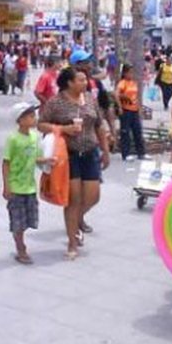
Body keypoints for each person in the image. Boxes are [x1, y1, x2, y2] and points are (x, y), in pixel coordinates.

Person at [39, 67, 110, 260]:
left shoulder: (89, 98)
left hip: (90, 152)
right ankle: (72, 241)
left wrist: (105, 150)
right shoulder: (56, 102)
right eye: (80, 80)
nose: (85, 83)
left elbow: (99, 125)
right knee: (72, 199)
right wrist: (63, 128)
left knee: (93, 196)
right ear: (69, 82)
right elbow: (41, 124)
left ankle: (77, 219)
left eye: (85, 80)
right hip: (67, 155)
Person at [3, 102, 50, 265]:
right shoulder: (13, 139)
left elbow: (36, 158)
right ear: (20, 120)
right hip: (16, 187)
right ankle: (20, 248)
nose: (34, 118)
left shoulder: (34, 138)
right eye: (30, 116)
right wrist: (6, 186)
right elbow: (6, 162)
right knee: (18, 220)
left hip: (29, 187)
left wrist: (48, 160)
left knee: (28, 219)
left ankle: (20, 241)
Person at [115, 64, 147, 161]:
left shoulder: (133, 83)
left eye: (132, 72)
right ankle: (126, 153)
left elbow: (136, 96)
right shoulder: (122, 83)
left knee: (137, 131)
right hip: (126, 110)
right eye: (129, 72)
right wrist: (120, 106)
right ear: (124, 73)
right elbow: (116, 94)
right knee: (125, 132)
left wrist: (139, 108)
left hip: (134, 109)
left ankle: (141, 153)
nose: (131, 74)